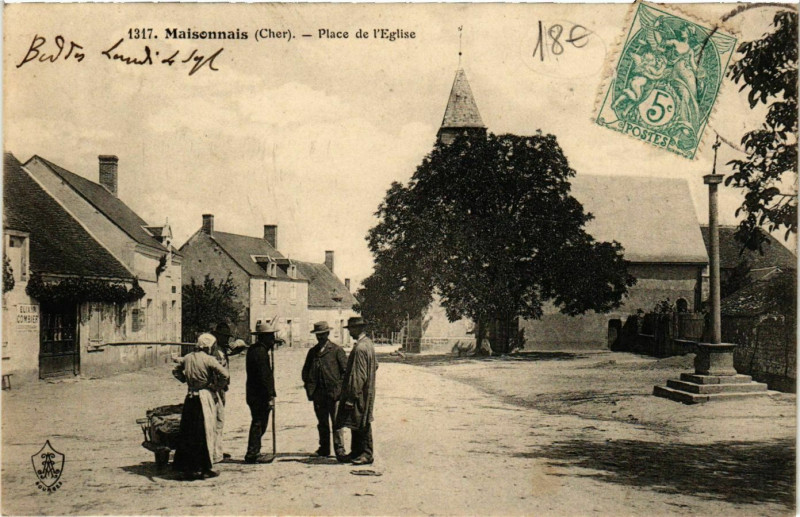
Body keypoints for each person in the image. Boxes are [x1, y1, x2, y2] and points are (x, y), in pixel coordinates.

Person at [172, 333, 229, 480]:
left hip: (190, 398)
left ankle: (189, 468)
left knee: (189, 433)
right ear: (208, 347)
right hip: (204, 397)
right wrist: (215, 386)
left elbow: (175, 371)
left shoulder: (188, 357)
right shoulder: (209, 360)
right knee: (205, 432)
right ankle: (204, 468)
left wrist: (185, 379)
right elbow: (225, 375)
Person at [334, 317, 378, 465]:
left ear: (358, 329)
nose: (350, 332)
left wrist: (352, 396)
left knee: (362, 421)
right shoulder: (368, 344)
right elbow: (375, 365)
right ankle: (356, 452)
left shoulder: (360, 348)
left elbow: (359, 375)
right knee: (357, 420)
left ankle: (366, 454)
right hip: (367, 390)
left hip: (359, 392)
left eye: (351, 329)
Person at [301, 321, 348, 459]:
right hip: (318, 394)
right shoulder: (312, 352)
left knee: (337, 423)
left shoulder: (336, 350)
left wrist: (339, 389)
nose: (320, 338)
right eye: (318, 335)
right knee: (322, 423)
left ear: (327, 334)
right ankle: (324, 448)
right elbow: (305, 372)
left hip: (334, 394)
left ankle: (340, 449)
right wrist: (310, 388)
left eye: (322, 335)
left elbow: (345, 372)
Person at [245, 322, 277, 464]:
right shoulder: (261, 353)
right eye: (270, 337)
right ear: (263, 338)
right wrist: (270, 395)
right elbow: (265, 377)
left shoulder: (254, 349)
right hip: (260, 395)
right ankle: (252, 453)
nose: (273, 340)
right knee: (259, 423)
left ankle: (254, 451)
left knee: (258, 422)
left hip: (253, 394)